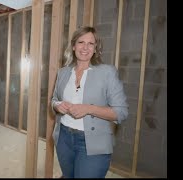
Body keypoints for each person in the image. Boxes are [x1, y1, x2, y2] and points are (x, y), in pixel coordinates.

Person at [51, 26, 128, 178]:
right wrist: (57, 106)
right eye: (81, 42)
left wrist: (89, 108)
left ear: (95, 48)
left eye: (91, 43)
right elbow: (53, 100)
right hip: (64, 139)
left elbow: (121, 112)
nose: (85, 47)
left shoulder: (107, 72)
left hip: (93, 143)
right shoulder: (63, 72)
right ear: (73, 46)